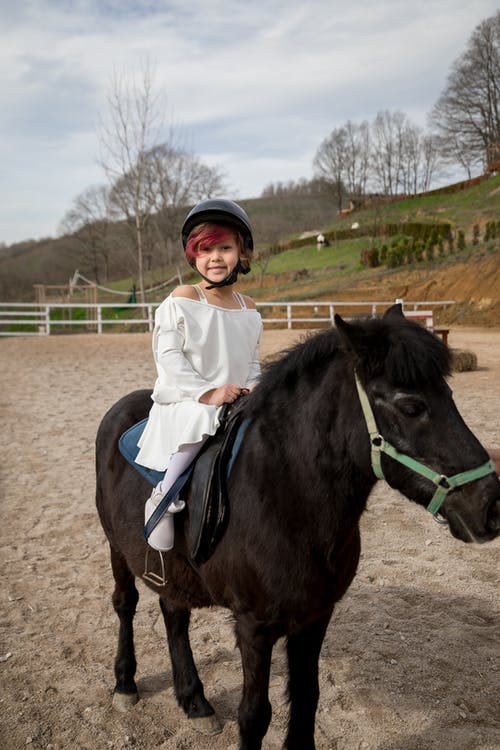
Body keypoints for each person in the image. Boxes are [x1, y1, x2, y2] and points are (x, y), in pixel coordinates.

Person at [136, 199, 263, 551]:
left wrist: (254, 386)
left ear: (242, 252)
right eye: (205, 250)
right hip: (187, 399)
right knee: (202, 420)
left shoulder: (248, 308)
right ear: (193, 255)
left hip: (235, 396)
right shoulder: (183, 298)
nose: (215, 258)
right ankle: (163, 497)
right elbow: (169, 358)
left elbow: (252, 360)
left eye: (225, 248)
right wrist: (208, 393)